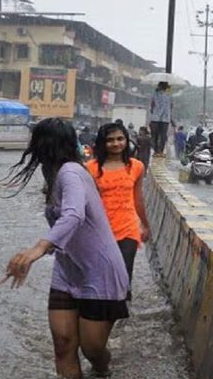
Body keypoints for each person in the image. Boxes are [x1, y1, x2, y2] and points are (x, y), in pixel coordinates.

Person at [0, 118, 129, 379]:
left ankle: (103, 368)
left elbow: (73, 216)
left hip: (100, 272)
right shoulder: (53, 174)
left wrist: (37, 250)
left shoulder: (71, 172)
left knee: (92, 349)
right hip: (67, 271)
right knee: (63, 345)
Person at [87, 123, 152, 301]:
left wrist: (145, 225)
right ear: (102, 143)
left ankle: (121, 312)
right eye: (110, 140)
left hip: (128, 229)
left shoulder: (136, 167)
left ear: (126, 140)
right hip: (100, 230)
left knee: (124, 274)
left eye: (120, 139)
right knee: (101, 277)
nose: (116, 144)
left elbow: (138, 199)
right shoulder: (90, 168)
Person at [149, 82, 173, 157]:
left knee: (154, 135)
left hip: (155, 117)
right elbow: (172, 106)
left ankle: (156, 151)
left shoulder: (154, 94)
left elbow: (152, 105)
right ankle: (161, 151)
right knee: (163, 135)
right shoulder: (169, 95)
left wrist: (153, 111)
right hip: (165, 118)